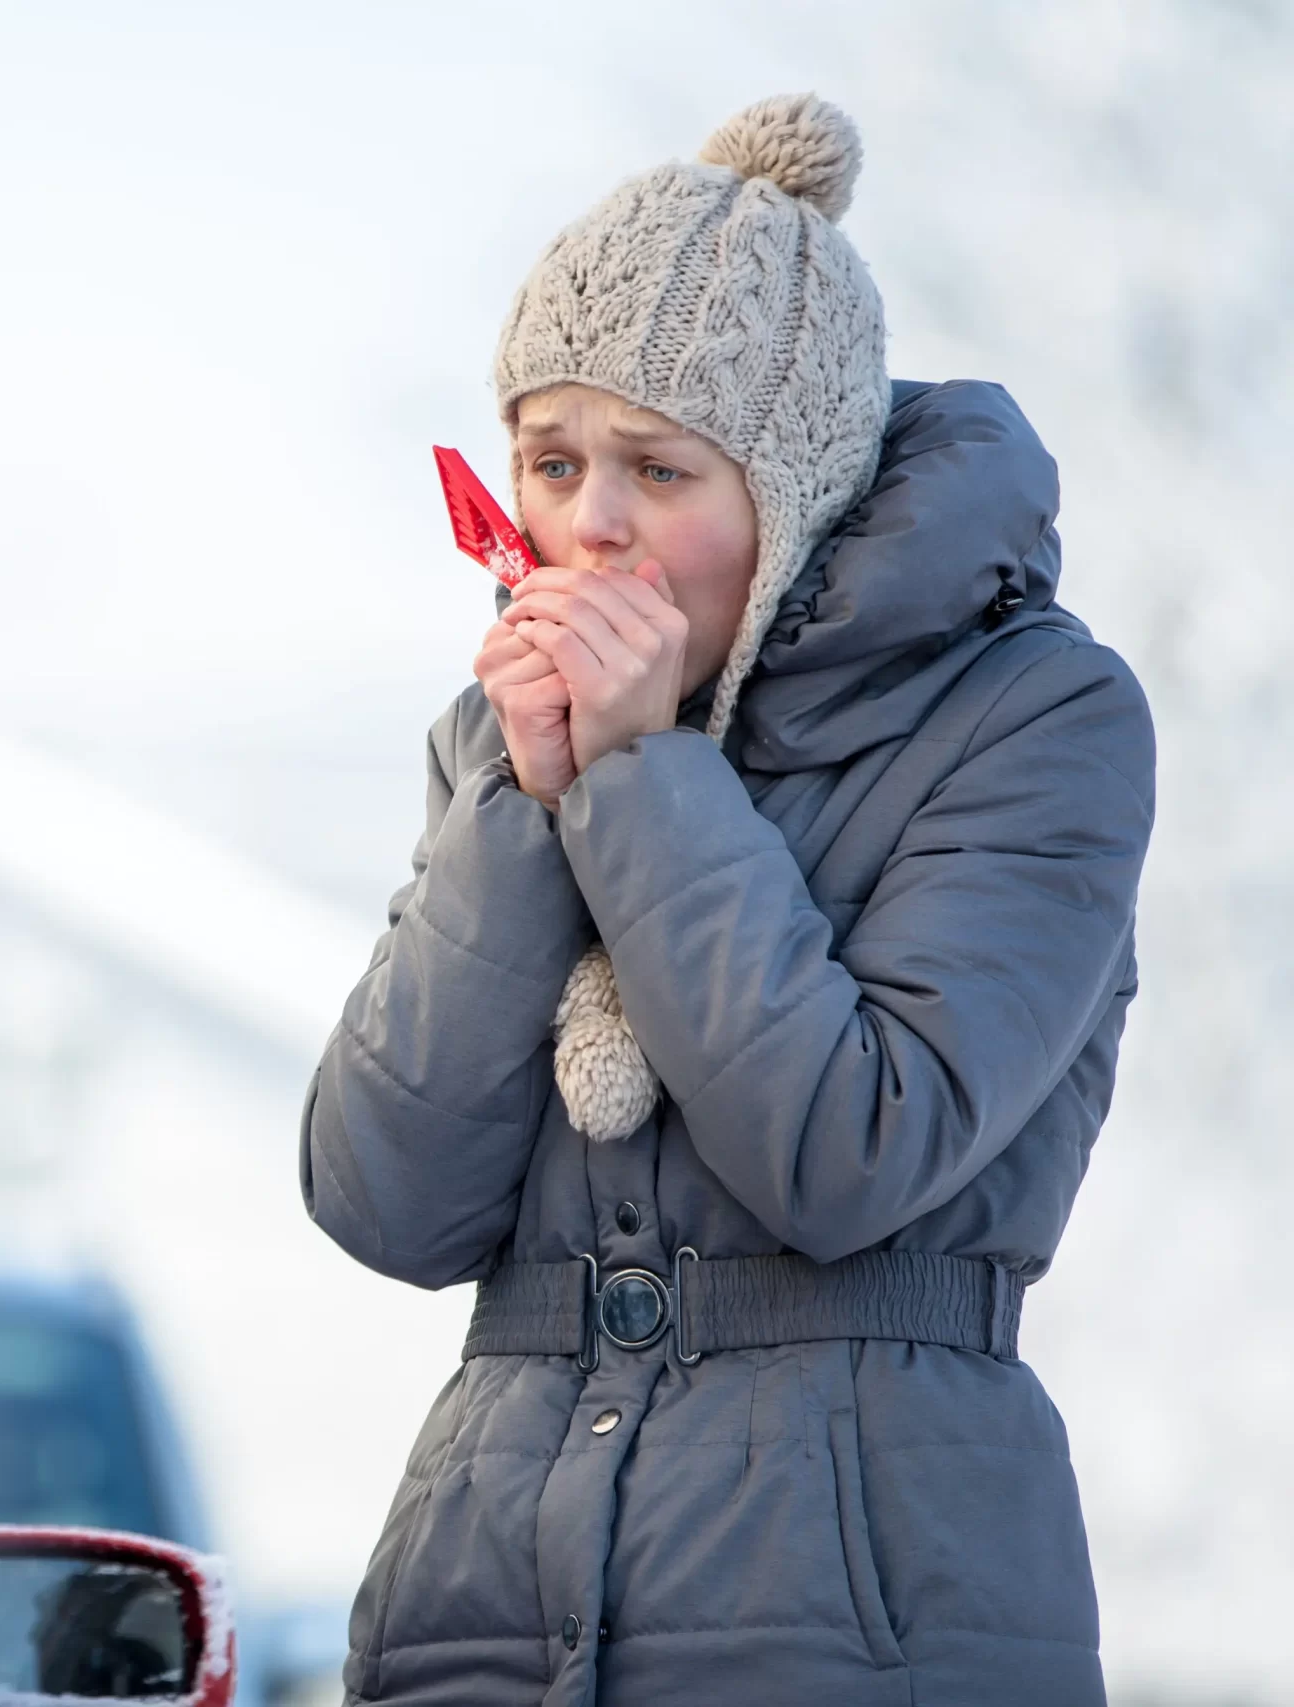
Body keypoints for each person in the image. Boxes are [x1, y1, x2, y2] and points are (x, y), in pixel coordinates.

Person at [301, 94, 1153, 1706]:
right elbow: (383, 1198)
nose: (590, 522)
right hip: (480, 1610)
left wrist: (639, 789)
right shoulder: (498, 742)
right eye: (553, 463)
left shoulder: (1033, 720)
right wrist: (525, 804)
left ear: (795, 488)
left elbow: (852, 1154)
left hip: (857, 1619)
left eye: (656, 466)